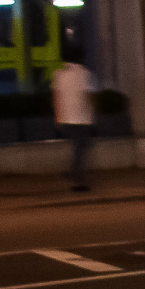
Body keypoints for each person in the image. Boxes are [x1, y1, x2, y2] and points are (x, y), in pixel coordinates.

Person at [50, 57, 96, 191]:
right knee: (80, 150)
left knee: (78, 149)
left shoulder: (58, 74)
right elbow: (89, 97)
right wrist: (91, 118)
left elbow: (56, 98)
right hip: (81, 119)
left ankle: (74, 175)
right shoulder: (84, 74)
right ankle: (77, 180)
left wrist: (57, 118)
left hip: (65, 119)